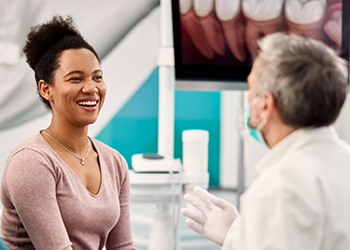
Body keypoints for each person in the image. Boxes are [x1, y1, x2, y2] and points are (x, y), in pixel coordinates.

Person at [181, 33, 350, 250]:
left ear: (265, 105)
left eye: (250, 88)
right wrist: (237, 234)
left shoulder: (276, 189)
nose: (248, 99)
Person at [0, 15, 135, 250]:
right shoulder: (30, 161)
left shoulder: (115, 162)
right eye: (76, 79)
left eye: (97, 77)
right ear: (46, 89)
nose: (91, 88)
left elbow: (122, 246)